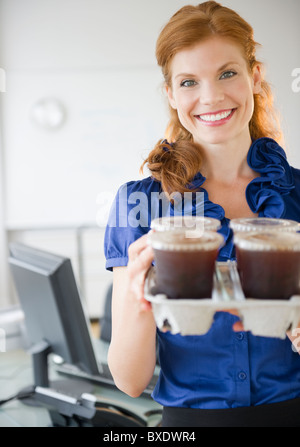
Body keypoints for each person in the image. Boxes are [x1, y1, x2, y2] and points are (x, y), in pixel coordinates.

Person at [104, 1, 300, 427]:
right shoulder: (140, 204)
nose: (211, 97)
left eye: (227, 73)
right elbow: (129, 380)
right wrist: (138, 299)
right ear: (172, 94)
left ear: (255, 77)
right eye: (189, 81)